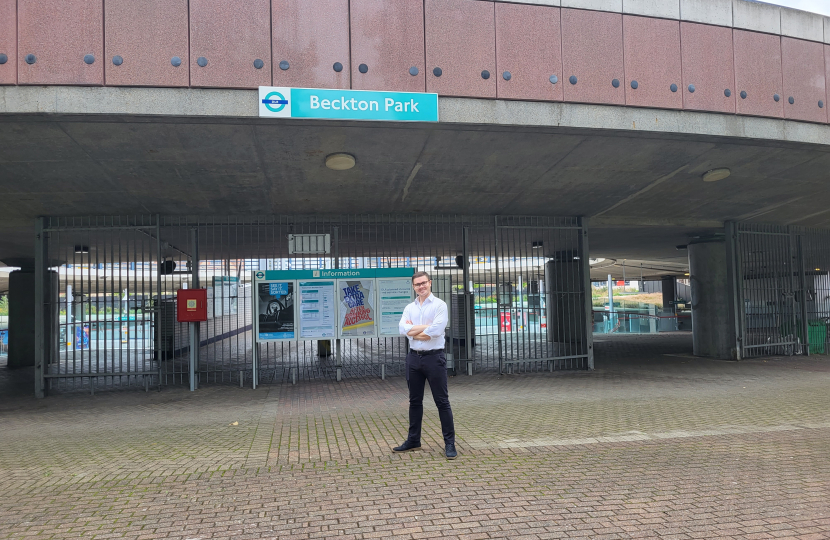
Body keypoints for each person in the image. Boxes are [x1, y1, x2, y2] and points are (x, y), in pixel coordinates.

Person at [393, 270, 457, 459]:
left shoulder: (440, 305)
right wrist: (423, 329)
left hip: (434, 358)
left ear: (430, 283)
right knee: (414, 401)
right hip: (413, 358)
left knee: (442, 402)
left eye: (423, 283)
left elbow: (437, 330)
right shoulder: (409, 308)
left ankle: (450, 444)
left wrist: (413, 330)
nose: (421, 286)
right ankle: (414, 440)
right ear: (413, 287)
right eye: (417, 284)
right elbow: (401, 328)